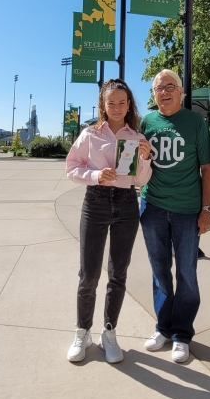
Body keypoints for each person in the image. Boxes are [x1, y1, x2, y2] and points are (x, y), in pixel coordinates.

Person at [65, 79, 152, 364]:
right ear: (102, 104)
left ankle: (109, 333)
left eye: (121, 103)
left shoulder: (135, 137)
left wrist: (146, 159)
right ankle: (83, 332)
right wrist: (95, 175)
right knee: (89, 273)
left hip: (127, 204)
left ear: (129, 105)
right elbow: (72, 168)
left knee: (118, 274)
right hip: (96, 203)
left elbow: (139, 180)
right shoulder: (90, 134)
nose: (116, 108)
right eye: (110, 102)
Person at [139, 69, 210, 363]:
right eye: (159, 88)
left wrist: (206, 210)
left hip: (187, 210)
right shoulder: (146, 122)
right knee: (159, 272)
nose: (164, 91)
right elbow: (135, 162)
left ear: (181, 92)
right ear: (154, 94)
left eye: (170, 86)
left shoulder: (196, 123)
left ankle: (182, 334)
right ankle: (162, 328)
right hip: (153, 207)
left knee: (186, 273)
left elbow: (207, 169)